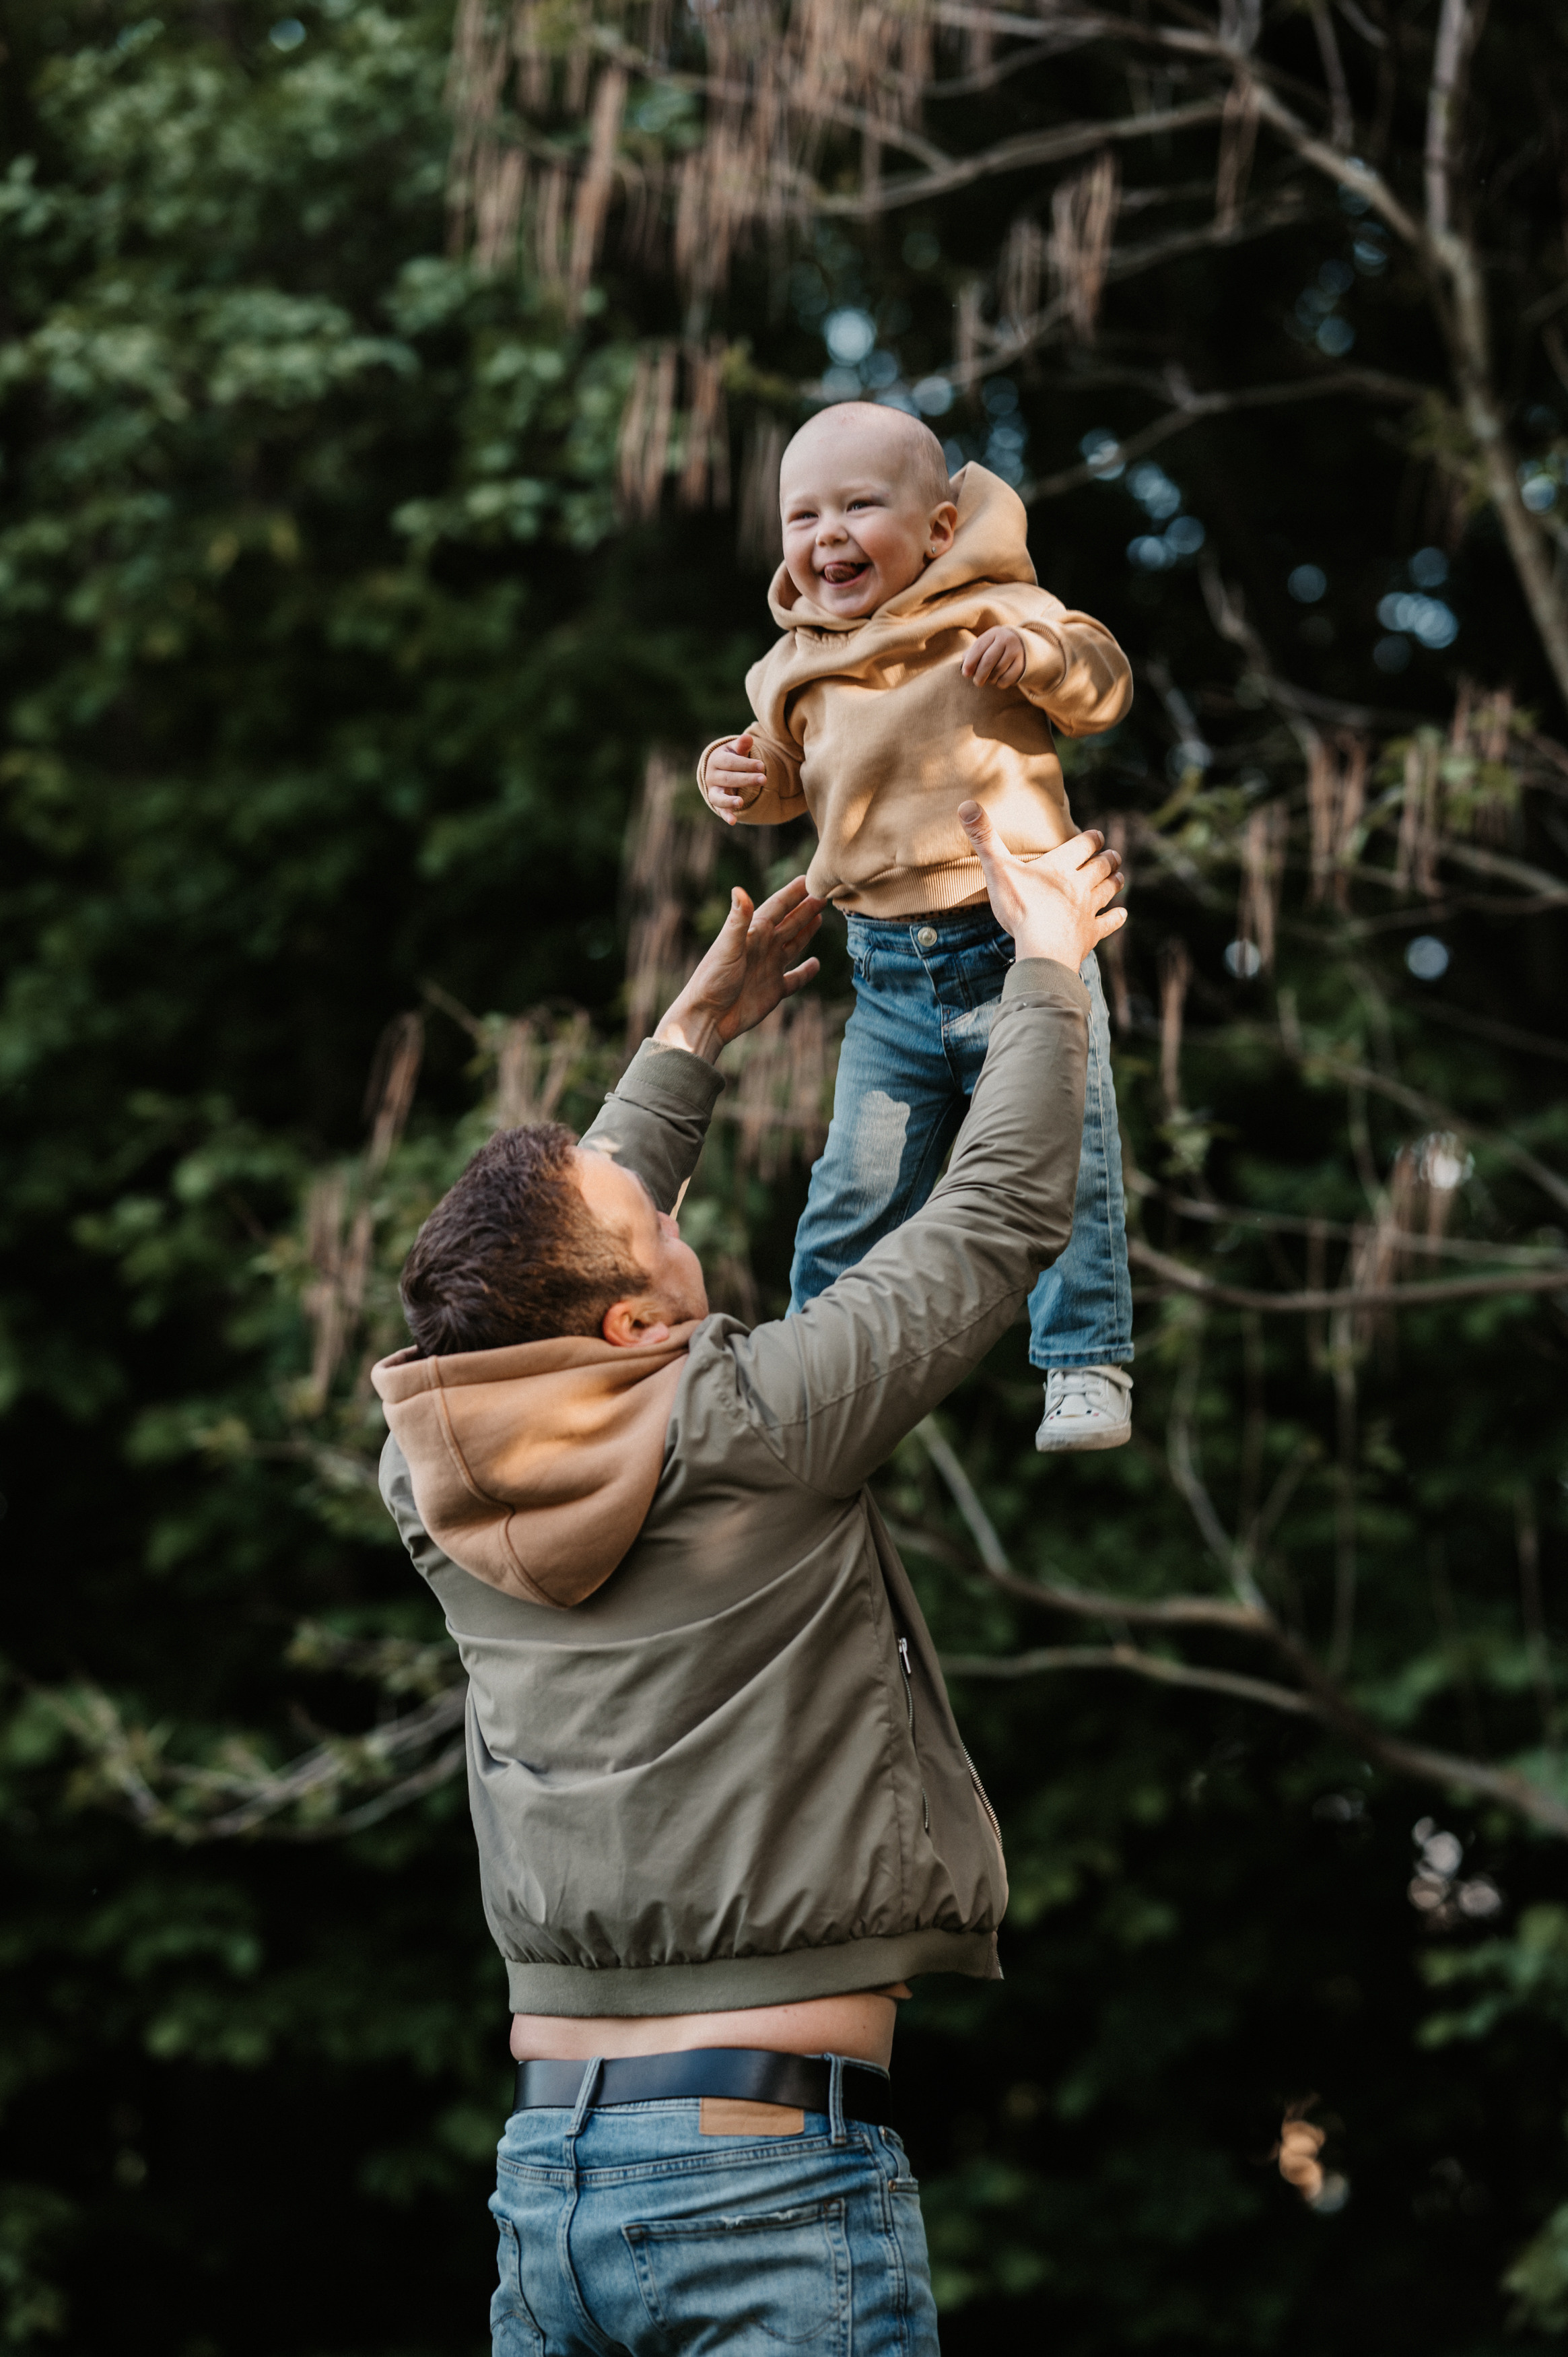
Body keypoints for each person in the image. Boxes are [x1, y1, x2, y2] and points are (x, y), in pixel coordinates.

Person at [371, 801, 1124, 2355]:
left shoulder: (428, 1484)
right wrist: (1049, 962)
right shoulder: (757, 1430)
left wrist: (698, 1027)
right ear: (635, 1331)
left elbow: (543, 1289)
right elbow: (993, 1220)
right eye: (654, 1222)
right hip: (766, 2193)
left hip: (543, 2195)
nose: (664, 1204)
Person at [700, 401, 1136, 1451]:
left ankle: (1082, 1363)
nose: (826, 536)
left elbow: (1100, 681)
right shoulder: (791, 661)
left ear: (939, 530)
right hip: (889, 976)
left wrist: (1032, 660)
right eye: (801, 516)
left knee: (1064, 1154)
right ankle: (804, 1387)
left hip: (1019, 946)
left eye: (858, 506)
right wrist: (738, 778)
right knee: (850, 1189)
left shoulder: (997, 609)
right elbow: (786, 781)